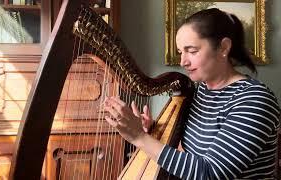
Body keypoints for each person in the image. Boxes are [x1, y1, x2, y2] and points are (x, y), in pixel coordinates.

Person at [104, 8, 280, 179]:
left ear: (223, 47)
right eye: (181, 52)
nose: (183, 62)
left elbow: (209, 173)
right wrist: (152, 130)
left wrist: (139, 137)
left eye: (192, 51)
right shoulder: (202, 90)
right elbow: (189, 150)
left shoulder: (254, 101)